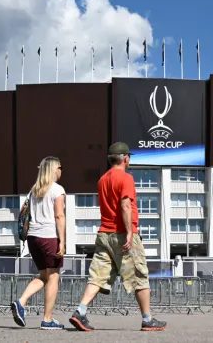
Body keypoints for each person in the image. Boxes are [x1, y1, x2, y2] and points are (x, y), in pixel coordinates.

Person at [68, 142, 166, 332]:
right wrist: (130, 232)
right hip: (122, 234)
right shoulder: (126, 178)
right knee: (139, 275)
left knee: (98, 275)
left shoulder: (102, 180)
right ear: (126, 158)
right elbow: (125, 206)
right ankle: (147, 319)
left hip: (104, 234)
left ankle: (80, 311)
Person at [11, 156, 67, 330]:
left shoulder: (34, 190)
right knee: (53, 276)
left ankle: (21, 301)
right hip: (49, 236)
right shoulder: (57, 190)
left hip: (33, 238)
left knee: (43, 276)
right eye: (60, 167)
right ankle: (47, 319)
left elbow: (25, 213)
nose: (61, 171)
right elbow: (59, 216)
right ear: (53, 169)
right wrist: (62, 242)